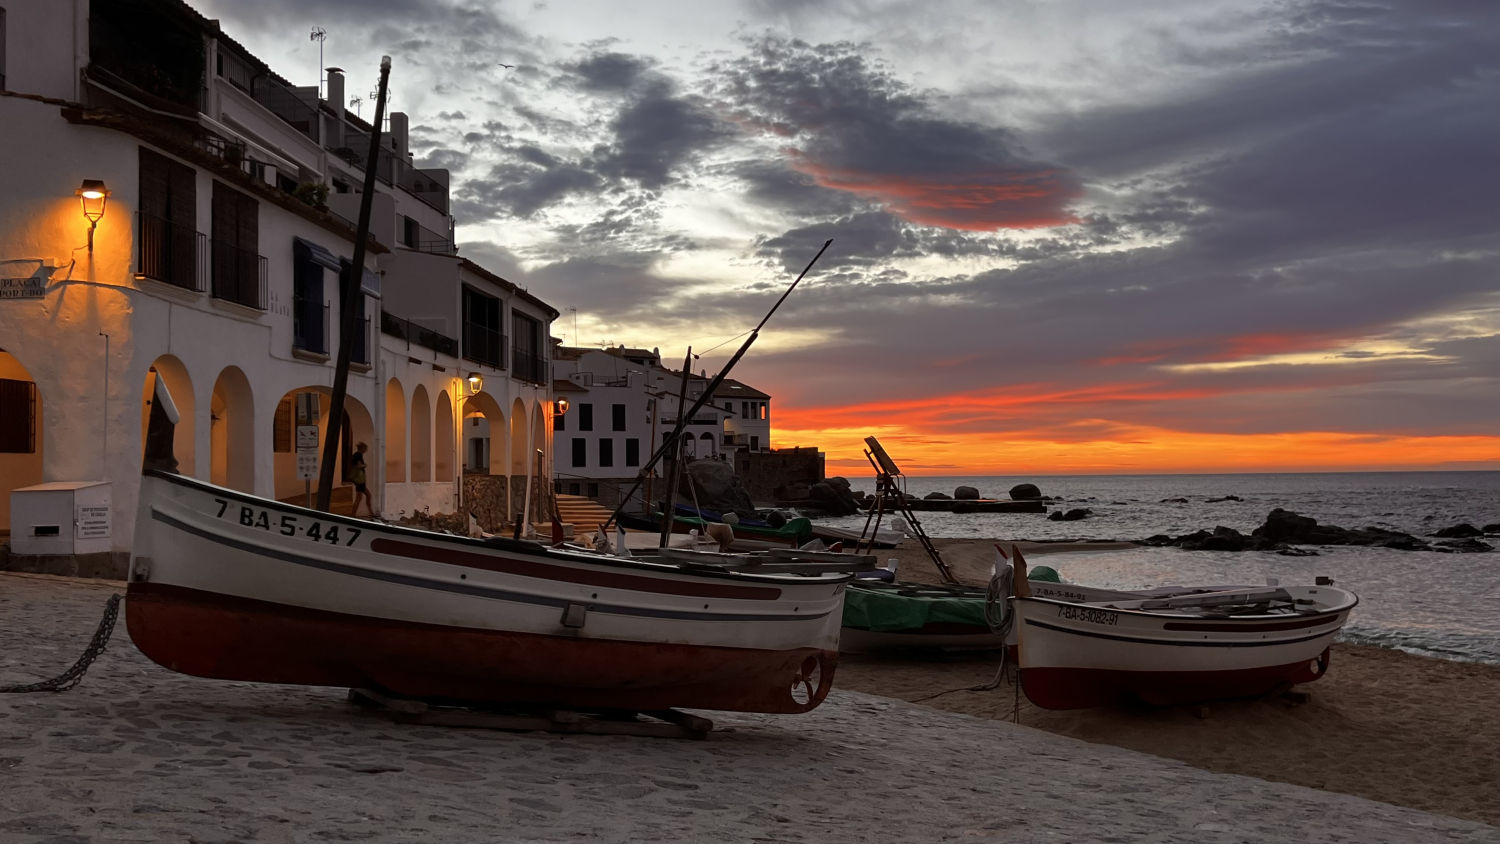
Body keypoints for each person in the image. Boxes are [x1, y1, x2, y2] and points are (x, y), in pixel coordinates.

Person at [350, 442, 377, 518]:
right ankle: (353, 514)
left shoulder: (356, 455)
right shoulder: (358, 455)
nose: (366, 450)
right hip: (360, 480)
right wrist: (365, 465)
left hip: (359, 480)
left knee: (363, 496)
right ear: (362, 448)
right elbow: (359, 466)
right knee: (362, 497)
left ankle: (369, 512)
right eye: (365, 448)